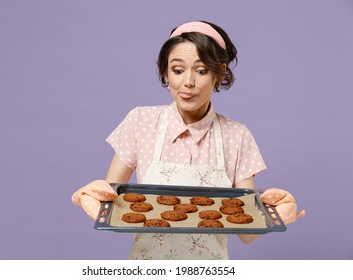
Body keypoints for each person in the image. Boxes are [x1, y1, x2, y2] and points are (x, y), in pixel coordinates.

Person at [71, 21, 305, 260]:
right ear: (165, 71)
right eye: (177, 69)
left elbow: (246, 234)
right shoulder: (140, 121)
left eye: (201, 70)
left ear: (220, 72)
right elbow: (114, 208)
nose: (188, 82)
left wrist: (274, 213)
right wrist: (90, 196)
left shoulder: (237, 135)